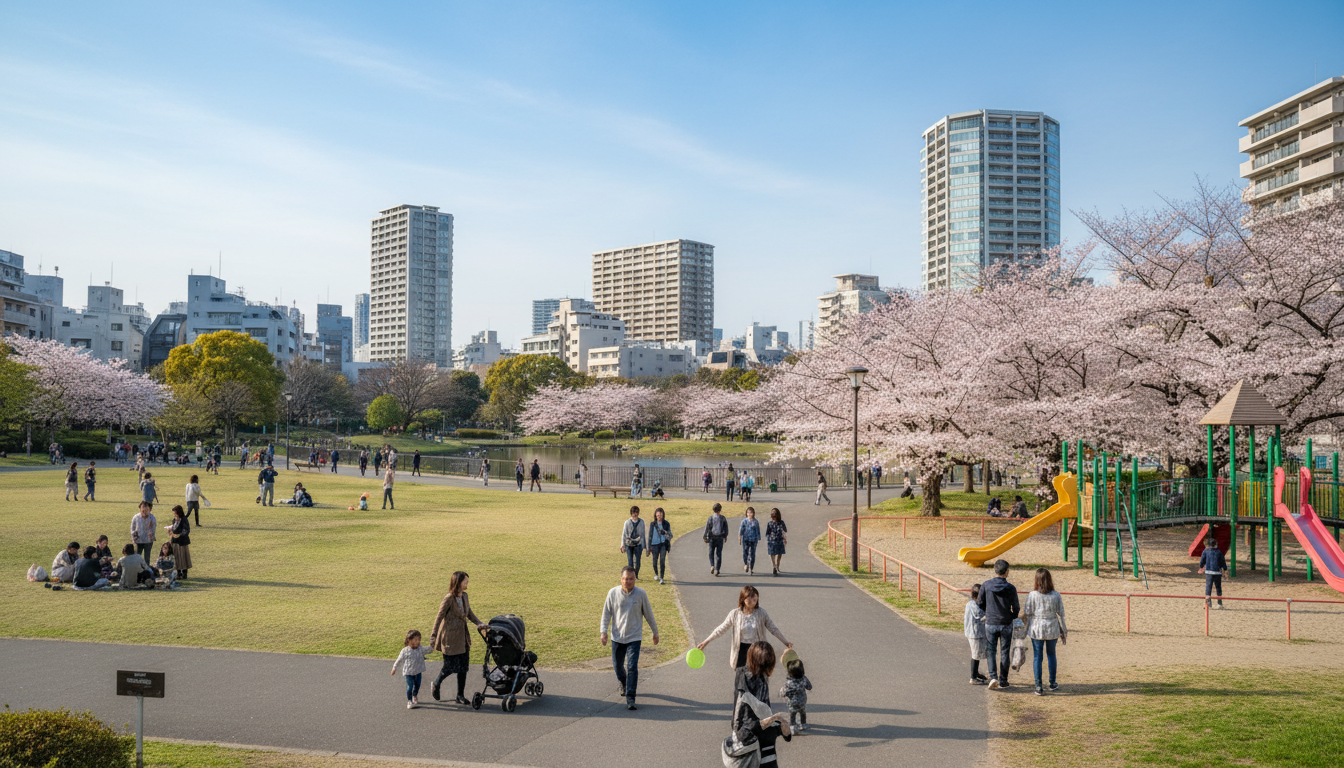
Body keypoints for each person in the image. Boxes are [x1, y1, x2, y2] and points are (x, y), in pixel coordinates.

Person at [698, 586, 794, 694]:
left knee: (758, 677)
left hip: (757, 650)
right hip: (741, 650)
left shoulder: (761, 613)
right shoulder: (735, 614)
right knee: (741, 680)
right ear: (743, 599)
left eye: (755, 598)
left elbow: (773, 628)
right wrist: (706, 641)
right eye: (750, 598)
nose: (753, 601)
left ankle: (759, 700)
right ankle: (741, 701)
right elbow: (721, 629)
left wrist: (785, 642)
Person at [599, 566, 659, 711]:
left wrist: (655, 632)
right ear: (621, 579)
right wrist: (603, 632)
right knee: (617, 666)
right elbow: (606, 613)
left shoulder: (641, 594)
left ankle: (630, 697)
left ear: (635, 579)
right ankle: (623, 683)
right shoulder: (613, 593)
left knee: (632, 666)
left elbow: (648, 614)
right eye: (626, 579)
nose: (628, 581)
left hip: (634, 637)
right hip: (617, 637)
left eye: (631, 578)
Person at [430, 570, 487, 704]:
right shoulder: (449, 598)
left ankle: (460, 695)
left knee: (463, 667)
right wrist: (433, 636)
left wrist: (479, 623)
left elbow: (469, 613)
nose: (467, 583)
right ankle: (436, 684)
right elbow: (439, 617)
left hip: (463, 638)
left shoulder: (465, 596)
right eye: (465, 581)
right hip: (450, 638)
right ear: (458, 582)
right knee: (449, 666)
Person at [730, 642, 791, 765]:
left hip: (759, 733)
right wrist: (773, 720)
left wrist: (778, 723)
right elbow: (742, 726)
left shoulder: (759, 676)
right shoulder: (745, 678)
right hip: (752, 736)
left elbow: (762, 710)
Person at [1022, 568, 1067, 695]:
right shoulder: (1056, 595)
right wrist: (1063, 630)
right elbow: (1061, 613)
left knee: (1037, 656)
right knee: (1051, 654)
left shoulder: (1032, 595)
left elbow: (1027, 611)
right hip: (1052, 627)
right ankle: (1052, 682)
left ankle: (1038, 686)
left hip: (1036, 628)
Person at [977, 559, 1020, 690]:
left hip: (991, 622)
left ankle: (993, 676)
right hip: (1006, 623)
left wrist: (988, 611)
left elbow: (979, 602)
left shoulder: (986, 585)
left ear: (995, 570)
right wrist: (1011, 616)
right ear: (1007, 571)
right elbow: (1016, 607)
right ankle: (1004, 680)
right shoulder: (1011, 588)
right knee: (1005, 651)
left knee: (991, 651)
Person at [392, 629, 429, 709]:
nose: (418, 641)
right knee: (410, 686)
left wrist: (434, 645)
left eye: (419, 639)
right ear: (410, 640)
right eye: (416, 639)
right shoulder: (405, 651)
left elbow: (428, 650)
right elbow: (399, 660)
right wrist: (394, 668)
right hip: (408, 672)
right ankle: (409, 700)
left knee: (417, 685)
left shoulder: (420, 648)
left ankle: (414, 695)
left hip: (418, 671)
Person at [779, 653, 812, 733]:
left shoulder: (789, 683)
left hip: (792, 703)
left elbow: (782, 693)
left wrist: (782, 693)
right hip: (803, 701)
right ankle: (803, 724)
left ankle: (793, 727)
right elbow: (809, 687)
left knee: (792, 715)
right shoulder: (804, 679)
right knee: (802, 712)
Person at [964, 583, 989, 684]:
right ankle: (973, 677)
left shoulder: (971, 603)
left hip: (974, 632)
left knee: (977, 653)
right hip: (974, 634)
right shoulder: (973, 605)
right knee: (975, 654)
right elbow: (980, 615)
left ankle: (976, 673)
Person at [1199, 536, 1227, 609]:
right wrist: (1225, 568)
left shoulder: (1206, 551)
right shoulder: (1218, 551)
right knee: (1218, 587)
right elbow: (1223, 561)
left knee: (1208, 587)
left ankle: (1208, 604)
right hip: (1217, 572)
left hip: (1209, 571)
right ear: (1215, 544)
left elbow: (1202, 560)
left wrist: (1201, 566)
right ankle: (1220, 603)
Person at [647, 507, 672, 585]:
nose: (659, 517)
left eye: (660, 515)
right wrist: (649, 546)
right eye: (658, 515)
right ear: (655, 515)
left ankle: (662, 577)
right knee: (654, 561)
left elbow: (670, 535)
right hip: (654, 544)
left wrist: (665, 532)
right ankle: (656, 574)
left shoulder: (666, 524)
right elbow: (650, 535)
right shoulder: (652, 524)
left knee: (662, 560)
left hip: (663, 544)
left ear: (663, 515)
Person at [166, 505, 192, 579]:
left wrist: (179, 535)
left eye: (175, 513)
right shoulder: (174, 520)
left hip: (182, 542)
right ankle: (178, 573)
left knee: (183, 558)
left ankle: (184, 573)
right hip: (175, 542)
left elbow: (186, 530)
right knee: (176, 558)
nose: (174, 514)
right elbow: (173, 528)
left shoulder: (184, 520)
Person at [621, 506, 646, 579]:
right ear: (631, 513)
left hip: (638, 544)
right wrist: (622, 545)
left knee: (637, 561)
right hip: (629, 544)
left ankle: (636, 575)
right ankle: (631, 577)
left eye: (636, 513)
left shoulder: (641, 522)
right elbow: (624, 534)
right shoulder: (627, 522)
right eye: (633, 513)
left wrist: (644, 545)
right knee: (630, 562)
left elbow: (643, 534)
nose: (635, 514)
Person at [704, 503, 729, 576]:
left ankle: (712, 565)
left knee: (711, 553)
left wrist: (705, 536)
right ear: (720, 510)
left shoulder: (710, 518)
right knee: (718, 554)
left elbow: (707, 528)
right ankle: (717, 569)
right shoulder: (723, 518)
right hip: (720, 538)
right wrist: (725, 536)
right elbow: (726, 528)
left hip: (712, 537)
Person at [765, 509, 788, 576]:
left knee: (773, 554)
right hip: (779, 540)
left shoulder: (770, 523)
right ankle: (776, 565)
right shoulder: (781, 522)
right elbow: (785, 530)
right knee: (779, 553)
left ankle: (774, 565)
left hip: (772, 540)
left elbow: (767, 533)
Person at [739, 507, 761, 575]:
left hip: (753, 539)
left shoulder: (755, 521)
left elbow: (758, 530)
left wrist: (758, 538)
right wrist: (739, 538)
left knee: (752, 554)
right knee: (745, 552)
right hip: (745, 539)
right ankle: (746, 564)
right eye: (748, 512)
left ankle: (751, 567)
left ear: (753, 513)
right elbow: (741, 530)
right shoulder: (744, 521)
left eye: (751, 512)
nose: (749, 514)